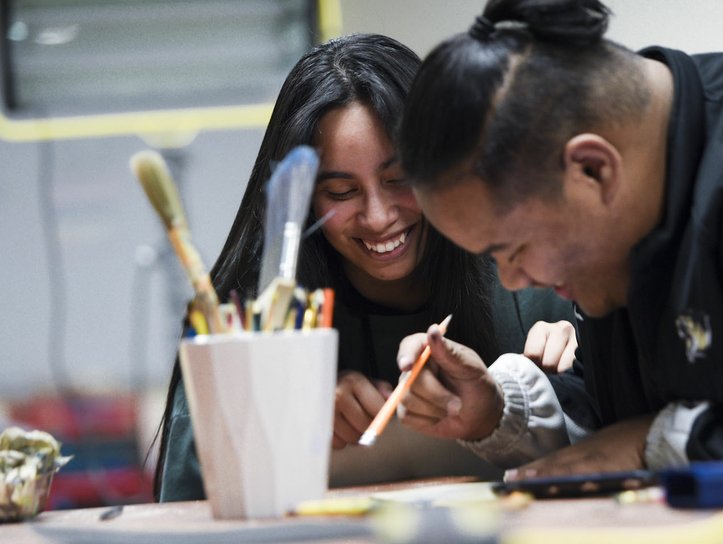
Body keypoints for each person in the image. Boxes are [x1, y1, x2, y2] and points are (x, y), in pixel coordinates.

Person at [153, 33, 589, 501]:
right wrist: (288, 415)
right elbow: (187, 512)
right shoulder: (250, 319)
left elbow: (628, 454)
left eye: (400, 179)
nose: (379, 217)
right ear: (304, 201)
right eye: (341, 193)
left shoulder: (528, 275)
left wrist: (565, 377)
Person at [393, 0, 723, 478]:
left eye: (514, 249)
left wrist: (649, 441)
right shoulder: (627, 205)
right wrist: (495, 409)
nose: (517, 280)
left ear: (592, 169)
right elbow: (610, 418)